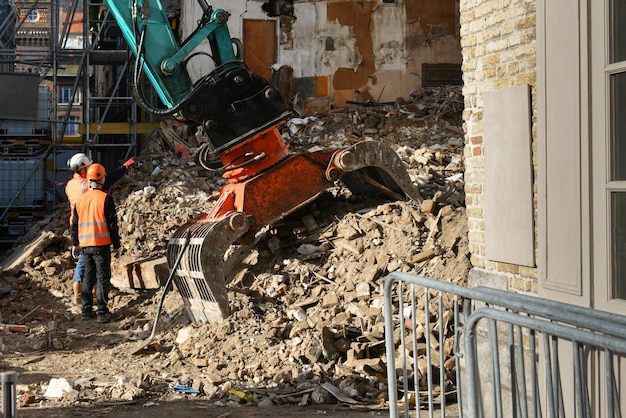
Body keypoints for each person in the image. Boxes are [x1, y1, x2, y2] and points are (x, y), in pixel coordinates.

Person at [65, 152, 135, 304]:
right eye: (88, 168)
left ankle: (80, 293)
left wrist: (74, 241)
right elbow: (105, 180)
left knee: (84, 259)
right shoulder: (86, 185)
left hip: (78, 225)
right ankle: (92, 297)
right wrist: (123, 168)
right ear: (83, 170)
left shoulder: (70, 185)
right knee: (92, 264)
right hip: (90, 223)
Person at [71, 163, 121, 323]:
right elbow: (112, 224)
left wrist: (75, 243)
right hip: (101, 244)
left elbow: (74, 224)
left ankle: (86, 310)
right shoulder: (106, 198)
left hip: (85, 245)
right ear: (102, 178)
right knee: (102, 277)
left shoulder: (81, 200)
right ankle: (102, 312)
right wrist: (117, 244)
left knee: (88, 277)